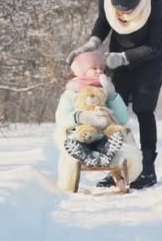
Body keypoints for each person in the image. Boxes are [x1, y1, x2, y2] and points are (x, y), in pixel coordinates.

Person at [66, 0, 162, 189]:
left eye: (126, 12)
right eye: (118, 11)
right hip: (118, 54)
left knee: (144, 108)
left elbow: (156, 46)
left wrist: (123, 58)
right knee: (114, 107)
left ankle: (147, 169)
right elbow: (104, 21)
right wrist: (92, 43)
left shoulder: (156, 6)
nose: (121, 15)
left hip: (151, 58)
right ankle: (116, 167)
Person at [53, 51, 143, 192]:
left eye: (101, 68)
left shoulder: (105, 91)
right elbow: (61, 118)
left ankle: (106, 154)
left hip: (104, 139)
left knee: (128, 151)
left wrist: (112, 94)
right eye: (94, 68)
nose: (99, 70)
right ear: (81, 71)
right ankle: (85, 156)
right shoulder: (71, 93)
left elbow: (123, 118)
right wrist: (81, 117)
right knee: (74, 149)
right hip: (80, 137)